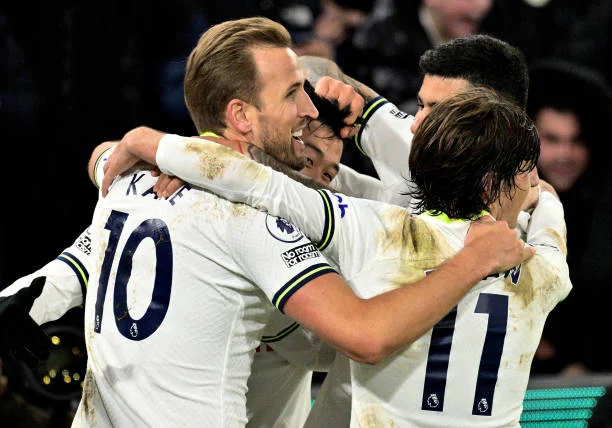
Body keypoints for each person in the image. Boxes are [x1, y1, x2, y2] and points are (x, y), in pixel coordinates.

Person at [21, 17, 528, 427]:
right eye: (292, 95)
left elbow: (97, 192)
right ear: (242, 116)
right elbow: (362, 335)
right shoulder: (255, 216)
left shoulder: (132, 182)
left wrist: (136, 145)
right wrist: (472, 262)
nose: (306, 110)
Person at [102, 86, 570, 427]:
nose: (530, 184)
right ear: (492, 184)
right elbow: (552, 224)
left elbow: (258, 184)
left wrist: (149, 141)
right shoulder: (544, 270)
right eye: (527, 174)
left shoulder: (373, 228)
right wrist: (546, 199)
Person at [526, 58, 612, 375]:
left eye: (576, 141)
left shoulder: (603, 205)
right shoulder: (504, 202)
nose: (565, 154)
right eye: (552, 140)